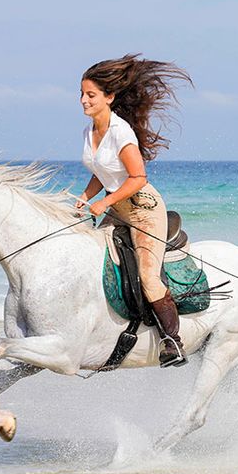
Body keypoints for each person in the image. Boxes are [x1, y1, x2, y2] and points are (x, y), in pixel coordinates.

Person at [73, 55, 191, 367]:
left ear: (108, 97)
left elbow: (138, 178)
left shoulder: (120, 132)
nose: (83, 100)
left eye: (90, 95)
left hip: (143, 209)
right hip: (117, 205)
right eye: (81, 94)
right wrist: (85, 198)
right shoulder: (89, 132)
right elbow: (102, 172)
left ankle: (172, 342)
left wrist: (105, 202)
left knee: (148, 276)